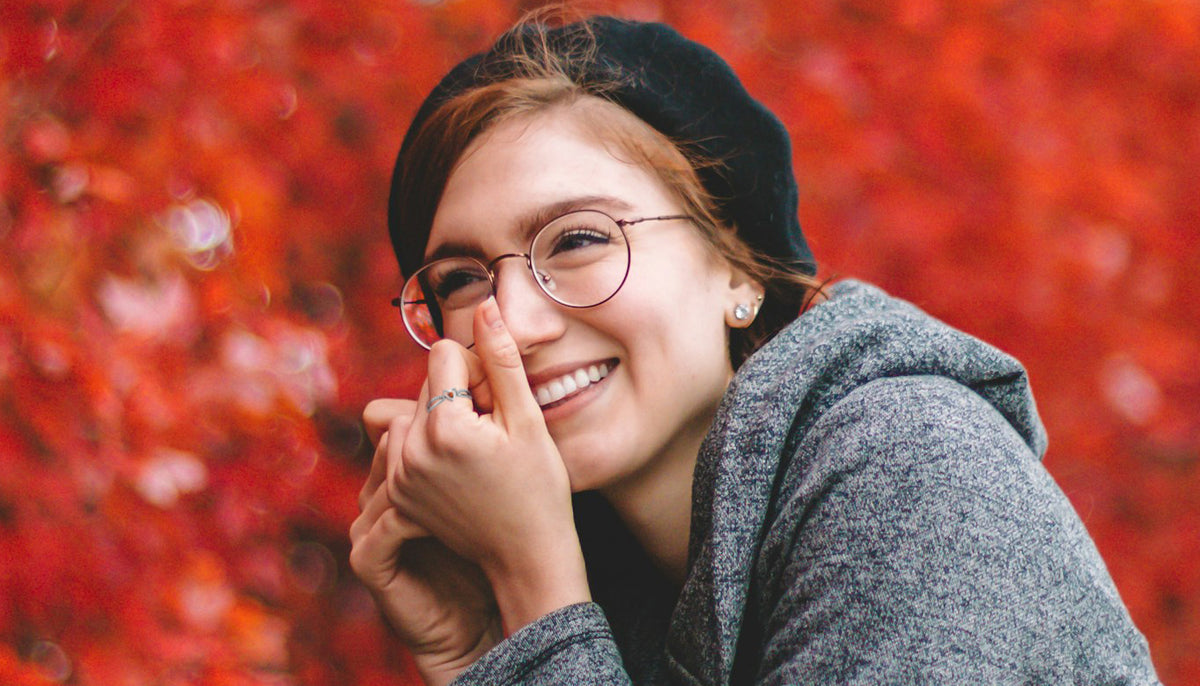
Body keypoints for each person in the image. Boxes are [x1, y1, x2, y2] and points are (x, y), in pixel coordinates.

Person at [349, 14, 1161, 685]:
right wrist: (485, 653)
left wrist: (540, 606)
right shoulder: (610, 589)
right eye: (460, 280)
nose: (514, 324)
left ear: (737, 267)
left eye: (579, 239)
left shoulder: (906, 466)